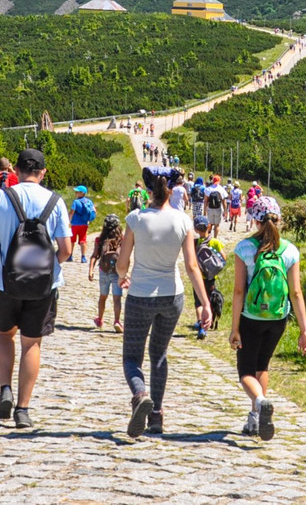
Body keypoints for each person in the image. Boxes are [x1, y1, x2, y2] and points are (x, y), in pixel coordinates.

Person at [0, 148, 71, 430]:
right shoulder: (55, 201)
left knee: (4, 335)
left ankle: (5, 389)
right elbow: (66, 249)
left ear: (17, 172)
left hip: (5, 283)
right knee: (31, 342)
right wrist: (48, 267)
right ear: (43, 172)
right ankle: (23, 410)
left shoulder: (0, 198)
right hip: (42, 286)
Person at [116, 167, 212, 437]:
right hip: (173, 296)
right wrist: (205, 302)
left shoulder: (135, 218)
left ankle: (140, 395)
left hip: (140, 296)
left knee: (132, 357)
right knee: (159, 354)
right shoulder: (183, 221)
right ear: (172, 190)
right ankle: (156, 415)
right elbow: (192, 265)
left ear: (149, 190)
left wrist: (123, 277)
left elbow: (122, 263)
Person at [229, 196, 306, 440]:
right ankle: (256, 418)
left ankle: (261, 402)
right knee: (262, 365)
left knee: (245, 371)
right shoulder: (290, 251)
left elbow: (239, 291)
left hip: (251, 317)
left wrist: (235, 329)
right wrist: (304, 330)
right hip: (278, 319)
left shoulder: (244, 248)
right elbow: (296, 292)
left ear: (255, 220)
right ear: (279, 218)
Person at [191, 215, 225, 340]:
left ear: (196, 229)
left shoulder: (195, 242)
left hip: (198, 277)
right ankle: (206, 327)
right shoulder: (215, 242)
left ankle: (200, 323)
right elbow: (224, 258)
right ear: (209, 226)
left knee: (198, 302)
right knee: (208, 300)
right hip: (211, 278)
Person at [88, 214, 124, 333]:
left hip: (103, 271)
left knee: (103, 297)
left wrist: (91, 271)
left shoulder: (100, 240)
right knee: (117, 298)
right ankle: (117, 321)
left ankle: (100, 319)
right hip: (117, 272)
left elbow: (94, 256)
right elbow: (125, 257)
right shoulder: (121, 240)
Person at [69, 185, 96, 263]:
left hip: (75, 224)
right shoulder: (89, 201)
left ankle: (70, 256)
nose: (75, 193)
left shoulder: (76, 202)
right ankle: (83, 257)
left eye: (77, 192)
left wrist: (69, 221)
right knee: (83, 240)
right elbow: (94, 211)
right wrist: (89, 220)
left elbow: (72, 212)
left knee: (72, 240)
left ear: (82, 193)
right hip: (84, 224)